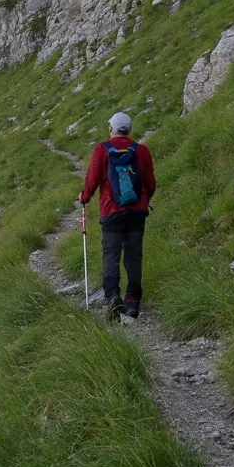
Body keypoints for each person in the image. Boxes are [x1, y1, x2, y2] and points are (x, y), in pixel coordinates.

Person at [79, 112, 156, 320]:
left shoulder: (102, 149)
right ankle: (133, 302)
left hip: (111, 211)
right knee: (133, 256)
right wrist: (142, 202)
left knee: (111, 254)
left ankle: (113, 296)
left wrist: (84, 197)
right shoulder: (142, 151)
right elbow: (150, 183)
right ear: (129, 130)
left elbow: (92, 179)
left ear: (111, 129)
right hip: (137, 211)